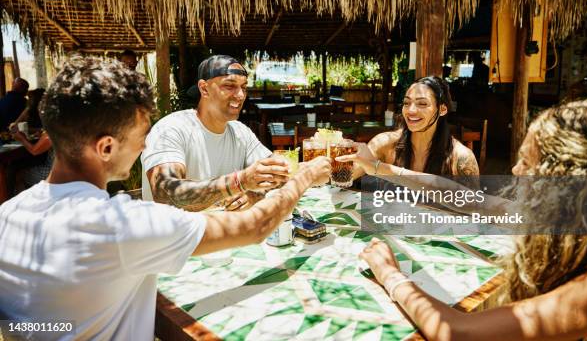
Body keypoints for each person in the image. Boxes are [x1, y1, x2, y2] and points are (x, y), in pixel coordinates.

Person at [0, 56, 331, 340]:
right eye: (141, 137)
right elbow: (257, 226)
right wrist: (305, 176)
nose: (146, 148)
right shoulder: (124, 225)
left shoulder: (7, 214)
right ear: (106, 148)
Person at [343, 97, 587, 340]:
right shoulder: (575, 223)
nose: (516, 171)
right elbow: (464, 198)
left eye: (528, 164)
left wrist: (390, 275)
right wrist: (377, 167)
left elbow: (459, 333)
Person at [142, 55, 290, 211]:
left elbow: (281, 175)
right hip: (175, 235)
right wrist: (239, 182)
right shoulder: (171, 128)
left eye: (244, 87)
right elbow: (165, 194)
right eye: (229, 86)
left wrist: (254, 194)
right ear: (204, 89)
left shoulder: (240, 131)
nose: (240, 95)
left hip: (225, 231)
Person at [354, 76, 478, 179]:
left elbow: (472, 204)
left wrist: (381, 169)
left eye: (422, 104)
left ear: (442, 109)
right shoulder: (384, 143)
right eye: (406, 103)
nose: (411, 110)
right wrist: (340, 154)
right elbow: (345, 176)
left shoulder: (460, 156)